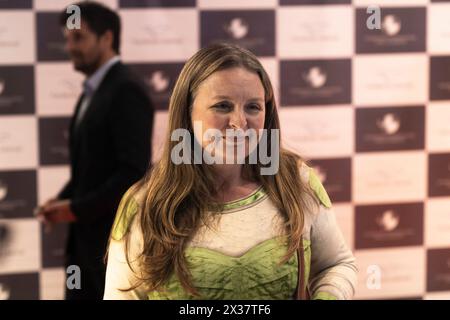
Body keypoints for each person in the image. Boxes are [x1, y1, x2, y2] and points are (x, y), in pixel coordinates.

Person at [103, 43, 357, 300]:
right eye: (222, 106)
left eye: (253, 107)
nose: (239, 123)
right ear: (187, 112)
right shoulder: (144, 204)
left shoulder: (298, 182)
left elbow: (336, 265)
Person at [36, 1, 154, 300]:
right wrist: (62, 200)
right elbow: (89, 167)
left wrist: (74, 208)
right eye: (67, 38)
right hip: (86, 246)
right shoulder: (94, 91)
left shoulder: (126, 90)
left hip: (111, 247)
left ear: (107, 38)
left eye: (78, 38)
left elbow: (132, 173)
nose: (70, 47)